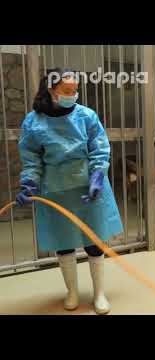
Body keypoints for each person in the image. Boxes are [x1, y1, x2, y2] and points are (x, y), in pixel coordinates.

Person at [15, 68, 124, 315]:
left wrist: (97, 176)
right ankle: (72, 292)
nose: (72, 95)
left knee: (94, 241)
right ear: (50, 90)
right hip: (56, 189)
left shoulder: (86, 116)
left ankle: (99, 294)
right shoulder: (33, 121)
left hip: (89, 186)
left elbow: (99, 148)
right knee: (63, 243)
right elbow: (31, 157)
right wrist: (29, 183)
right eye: (67, 91)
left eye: (75, 91)